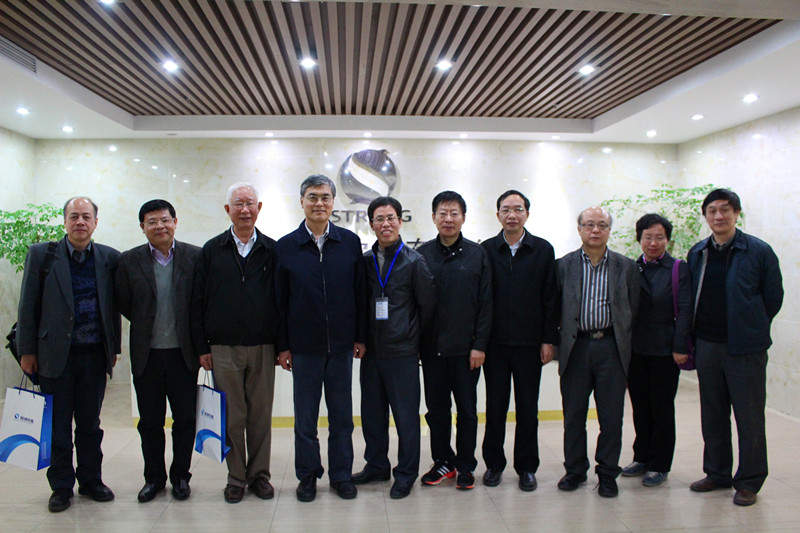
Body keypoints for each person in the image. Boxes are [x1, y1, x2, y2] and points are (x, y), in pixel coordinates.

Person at [17, 196, 120, 512]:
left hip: (93, 356)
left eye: (86, 217)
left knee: (90, 425)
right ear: (64, 221)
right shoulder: (43, 255)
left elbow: (113, 308)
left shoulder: (109, 258)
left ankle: (91, 481)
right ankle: (61, 486)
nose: (80, 222)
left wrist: (113, 348)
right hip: (53, 356)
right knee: (58, 427)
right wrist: (26, 351)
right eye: (74, 216)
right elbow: (27, 305)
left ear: (95, 222)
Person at [687, 188, 783, 507]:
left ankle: (749, 480)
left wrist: (751, 326)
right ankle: (717, 473)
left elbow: (773, 297)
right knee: (713, 414)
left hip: (745, 348)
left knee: (749, 416)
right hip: (707, 345)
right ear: (706, 216)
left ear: (736, 213)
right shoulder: (698, 252)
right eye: (712, 210)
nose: (718, 216)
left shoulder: (758, 251)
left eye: (725, 209)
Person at [275, 175, 367, 502]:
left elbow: (360, 293)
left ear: (333, 202)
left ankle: (341, 475)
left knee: (342, 418)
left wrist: (360, 337)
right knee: (306, 420)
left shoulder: (349, 242)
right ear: (301, 201)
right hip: (304, 348)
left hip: (341, 347)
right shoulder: (285, 246)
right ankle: (308, 476)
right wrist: (283, 346)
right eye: (312, 197)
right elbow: (279, 301)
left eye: (325, 197)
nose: (319, 203)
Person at [192, 182, 279, 504]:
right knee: (231, 416)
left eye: (250, 203)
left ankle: (259, 476)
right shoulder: (211, 250)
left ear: (259, 208)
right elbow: (197, 300)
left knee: (260, 416)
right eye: (238, 204)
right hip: (223, 347)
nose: (245, 210)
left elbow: (281, 301)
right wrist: (203, 347)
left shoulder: (272, 250)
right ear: (228, 210)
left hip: (263, 346)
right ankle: (236, 478)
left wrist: (281, 344)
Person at [115, 199, 201, 502]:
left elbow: (201, 303)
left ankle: (181, 476)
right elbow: (123, 302)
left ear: (175, 222)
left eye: (165, 220)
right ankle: (154, 478)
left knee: (185, 420)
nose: (159, 226)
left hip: (183, 355)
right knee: (150, 422)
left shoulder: (195, 256)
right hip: (147, 355)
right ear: (142, 227)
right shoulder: (128, 261)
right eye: (152, 222)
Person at [355, 196, 436, 499]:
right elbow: (360, 305)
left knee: (405, 418)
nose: (385, 224)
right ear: (371, 224)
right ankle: (377, 465)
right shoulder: (364, 262)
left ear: (400, 221)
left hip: (402, 353)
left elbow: (427, 307)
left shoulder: (414, 262)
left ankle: (406, 473)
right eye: (379, 219)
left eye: (391, 218)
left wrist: (413, 340)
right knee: (372, 415)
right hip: (372, 353)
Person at [555, 206, 639, 498]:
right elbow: (554, 307)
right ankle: (575, 470)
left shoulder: (626, 267)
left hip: (611, 348)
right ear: (579, 229)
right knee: (574, 415)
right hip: (575, 348)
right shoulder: (563, 266)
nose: (595, 230)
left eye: (601, 225)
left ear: (609, 230)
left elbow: (633, 309)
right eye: (589, 224)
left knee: (611, 417)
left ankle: (607, 473)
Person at [481, 190, 558, 492]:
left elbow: (550, 297)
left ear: (527, 213)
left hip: (530, 344)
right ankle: (493, 465)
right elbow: (481, 300)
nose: (512, 215)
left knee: (528, 409)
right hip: (495, 345)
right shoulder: (487, 250)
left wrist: (549, 339)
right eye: (506, 209)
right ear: (497, 214)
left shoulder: (543, 250)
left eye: (518, 209)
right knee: (495, 407)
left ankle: (527, 467)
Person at [417, 191, 492, 491]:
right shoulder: (421, 254)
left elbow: (486, 304)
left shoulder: (477, 254)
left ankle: (465, 465)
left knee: (467, 412)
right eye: (442, 213)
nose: (448, 219)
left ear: (463, 218)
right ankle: (443, 462)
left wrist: (480, 345)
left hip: (467, 352)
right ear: (433, 217)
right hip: (431, 350)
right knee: (436, 411)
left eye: (454, 213)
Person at [620, 214, 692, 487]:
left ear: (668, 240)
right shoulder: (631, 268)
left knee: (662, 408)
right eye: (647, 237)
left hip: (665, 351)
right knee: (640, 407)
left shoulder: (678, 269)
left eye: (659, 237)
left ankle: (660, 464)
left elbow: (685, 310)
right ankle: (642, 457)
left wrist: (680, 346)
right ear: (639, 239)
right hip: (636, 351)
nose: (653, 243)